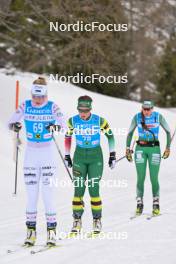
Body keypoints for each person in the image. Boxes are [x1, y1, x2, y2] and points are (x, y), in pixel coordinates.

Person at [8, 77, 66, 246]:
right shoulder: (25, 105)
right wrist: (15, 126)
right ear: (32, 94)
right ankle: (31, 233)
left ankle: (51, 233)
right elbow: (10, 122)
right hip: (31, 155)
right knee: (32, 195)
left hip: (47, 154)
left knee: (48, 194)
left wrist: (55, 127)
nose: (38, 101)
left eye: (41, 97)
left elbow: (64, 126)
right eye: (35, 97)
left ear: (46, 95)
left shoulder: (53, 106)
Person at [64, 95, 116, 235]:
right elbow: (68, 137)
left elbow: (110, 136)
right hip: (79, 157)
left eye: (86, 110)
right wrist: (67, 155)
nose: (83, 113)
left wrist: (112, 155)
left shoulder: (99, 121)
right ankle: (77, 221)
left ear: (90, 109)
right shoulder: (72, 121)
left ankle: (97, 220)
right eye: (81, 110)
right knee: (78, 189)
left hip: (95, 157)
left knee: (94, 189)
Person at [126, 100, 171, 216]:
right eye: (144, 109)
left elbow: (168, 132)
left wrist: (168, 148)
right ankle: (139, 203)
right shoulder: (137, 117)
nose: (146, 111)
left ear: (152, 108)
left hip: (154, 149)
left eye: (148, 109)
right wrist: (127, 149)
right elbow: (130, 133)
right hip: (140, 149)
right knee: (140, 177)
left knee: (153, 177)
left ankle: (156, 203)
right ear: (142, 108)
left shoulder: (158, 117)